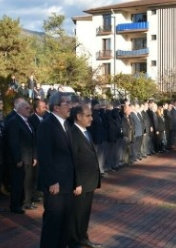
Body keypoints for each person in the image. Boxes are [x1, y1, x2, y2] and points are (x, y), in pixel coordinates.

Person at [37, 92, 76, 248]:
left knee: (64, 223)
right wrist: (52, 181)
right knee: (53, 223)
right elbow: (45, 156)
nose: (70, 107)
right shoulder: (47, 125)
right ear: (56, 107)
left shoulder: (66, 124)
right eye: (67, 103)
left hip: (67, 183)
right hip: (55, 184)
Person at [67, 105, 102, 248]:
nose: (91, 119)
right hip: (80, 182)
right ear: (78, 116)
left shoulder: (86, 132)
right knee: (77, 213)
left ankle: (82, 237)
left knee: (85, 212)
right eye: (88, 116)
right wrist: (77, 182)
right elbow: (73, 159)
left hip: (90, 181)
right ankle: (74, 241)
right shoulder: (73, 133)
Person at [6, 100, 36, 213]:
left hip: (28, 158)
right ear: (19, 109)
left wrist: (34, 156)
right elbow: (13, 142)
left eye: (29, 108)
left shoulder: (27, 121)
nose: (29, 110)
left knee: (26, 182)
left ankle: (25, 202)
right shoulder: (14, 121)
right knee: (17, 183)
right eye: (26, 108)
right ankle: (15, 205)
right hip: (20, 159)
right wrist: (17, 159)